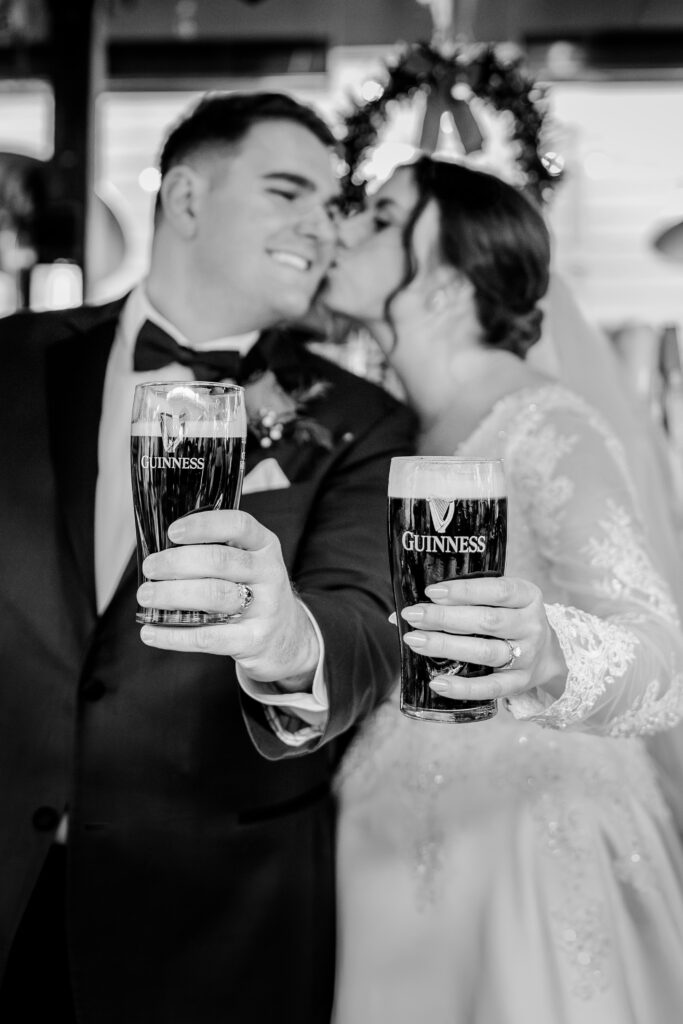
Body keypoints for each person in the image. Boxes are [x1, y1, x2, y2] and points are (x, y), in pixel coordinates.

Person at [0, 92, 417, 1024]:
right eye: (287, 192)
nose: (323, 226)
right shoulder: (14, 359)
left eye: (334, 202)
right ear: (185, 199)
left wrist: (285, 641)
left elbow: (362, 613)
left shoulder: (361, 421)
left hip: (216, 923)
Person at [322, 156, 683, 1023]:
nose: (342, 228)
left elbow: (663, 655)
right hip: (379, 834)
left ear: (445, 280)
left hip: (528, 842)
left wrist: (549, 653)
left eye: (379, 216)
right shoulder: (379, 431)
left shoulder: (548, 424)